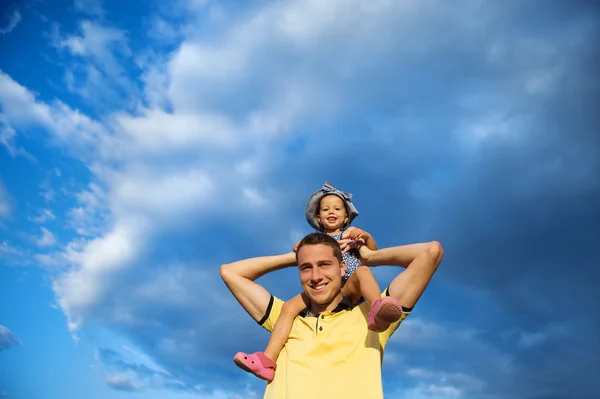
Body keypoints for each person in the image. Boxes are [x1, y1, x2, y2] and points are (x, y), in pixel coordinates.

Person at [220, 231, 443, 398]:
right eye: (306, 267)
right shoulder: (285, 317)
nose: (315, 276)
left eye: (325, 264)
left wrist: (367, 256)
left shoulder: (374, 315)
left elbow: (431, 252)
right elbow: (230, 272)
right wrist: (294, 256)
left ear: (343, 268)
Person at [232, 182, 403, 381]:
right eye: (326, 209)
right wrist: (299, 248)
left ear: (346, 216)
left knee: (363, 271)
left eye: (337, 209)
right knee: (288, 308)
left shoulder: (350, 235)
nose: (332, 212)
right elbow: (303, 252)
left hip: (349, 288)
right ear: (319, 218)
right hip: (320, 289)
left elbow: (371, 253)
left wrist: (365, 237)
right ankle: (268, 359)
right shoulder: (315, 239)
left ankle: (377, 308)